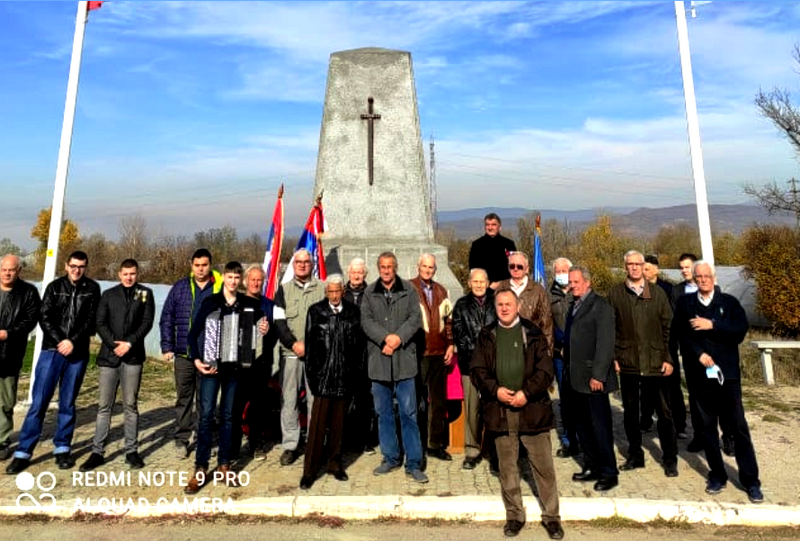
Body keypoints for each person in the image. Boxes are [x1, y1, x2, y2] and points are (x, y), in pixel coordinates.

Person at [471, 288, 563, 540]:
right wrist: (496, 390)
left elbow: (545, 372)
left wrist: (526, 392)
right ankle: (514, 515)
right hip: (500, 410)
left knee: (543, 466)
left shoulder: (533, 333)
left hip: (531, 409)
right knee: (508, 467)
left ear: (518, 305)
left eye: (508, 303)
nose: (504, 307)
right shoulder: (486, 334)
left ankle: (552, 517)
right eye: (499, 304)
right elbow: (477, 369)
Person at [672, 260, 763, 503]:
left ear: (714, 277)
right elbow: (682, 334)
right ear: (694, 278)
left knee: (738, 427)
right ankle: (717, 475)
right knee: (707, 427)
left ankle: (751, 480)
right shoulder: (685, 304)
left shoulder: (729, 303)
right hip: (700, 375)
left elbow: (739, 331)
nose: (702, 279)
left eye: (706, 276)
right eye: (698, 276)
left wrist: (712, 324)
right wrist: (699, 354)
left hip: (728, 375)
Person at [7, 251, 100, 474]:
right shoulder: (54, 287)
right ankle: (24, 452)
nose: (77, 270)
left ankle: (62, 448)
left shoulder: (92, 289)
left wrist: (73, 342)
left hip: (77, 354)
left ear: (85, 267)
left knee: (67, 403)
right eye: (73, 265)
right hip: (52, 350)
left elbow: (91, 319)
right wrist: (61, 341)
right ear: (66, 266)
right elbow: (44, 316)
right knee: (39, 402)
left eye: (82, 266)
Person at [184, 261, 265, 494]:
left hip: (234, 370)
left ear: (240, 280)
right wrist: (198, 360)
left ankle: (225, 465)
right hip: (211, 368)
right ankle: (200, 468)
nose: (233, 281)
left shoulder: (248, 304)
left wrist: (263, 328)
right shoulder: (211, 302)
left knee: (229, 416)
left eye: (236, 278)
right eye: (229, 277)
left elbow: (260, 325)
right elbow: (193, 334)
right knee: (207, 416)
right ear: (224, 279)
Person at [607, 250, 678, 478]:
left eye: (638, 264)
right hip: (628, 362)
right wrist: (614, 356)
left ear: (643, 266)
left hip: (656, 362)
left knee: (664, 413)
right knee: (630, 412)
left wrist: (668, 358)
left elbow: (669, 328)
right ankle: (635, 455)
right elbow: (610, 328)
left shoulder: (657, 294)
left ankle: (670, 458)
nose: (635, 268)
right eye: (630, 264)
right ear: (625, 266)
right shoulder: (616, 294)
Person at [80, 259, 155, 472]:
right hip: (109, 357)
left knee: (130, 405)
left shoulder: (145, 294)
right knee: (104, 406)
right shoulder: (108, 295)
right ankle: (97, 451)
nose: (129, 277)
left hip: (133, 357)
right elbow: (100, 323)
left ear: (137, 273)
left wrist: (130, 343)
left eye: (132, 273)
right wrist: (114, 344)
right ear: (119, 274)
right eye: (125, 273)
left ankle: (131, 451)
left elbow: (147, 322)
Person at [361, 251, 427, 483]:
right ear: (378, 268)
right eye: (382, 266)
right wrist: (384, 339)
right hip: (379, 362)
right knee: (384, 413)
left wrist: (398, 339)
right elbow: (366, 321)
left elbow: (415, 318)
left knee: (409, 413)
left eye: (390, 266)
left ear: (395, 267)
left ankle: (414, 462)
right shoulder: (369, 292)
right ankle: (390, 457)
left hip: (403, 362)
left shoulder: (408, 289)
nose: (386, 270)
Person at [299, 275, 362, 489]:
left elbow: (358, 348)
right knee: (317, 427)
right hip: (323, 379)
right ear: (326, 292)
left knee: (339, 426)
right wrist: (314, 379)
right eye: (330, 292)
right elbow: (310, 350)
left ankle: (335, 465)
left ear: (343, 291)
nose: (334, 296)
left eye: (337, 291)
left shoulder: (353, 312)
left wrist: (355, 374)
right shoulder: (316, 312)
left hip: (345, 377)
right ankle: (309, 471)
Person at [160, 248, 222, 459]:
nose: (201, 269)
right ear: (191, 265)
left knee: (207, 401)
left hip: (209, 354)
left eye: (204, 265)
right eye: (197, 265)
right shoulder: (180, 288)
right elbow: (167, 316)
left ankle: (206, 439)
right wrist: (167, 346)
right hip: (184, 354)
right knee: (184, 399)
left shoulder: (219, 288)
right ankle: (181, 439)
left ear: (210, 265)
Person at [565, 266, 618, 492]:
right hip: (575, 377)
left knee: (600, 427)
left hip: (593, 378)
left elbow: (605, 344)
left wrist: (598, 374)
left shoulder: (601, 306)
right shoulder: (573, 306)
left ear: (587, 282)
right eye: (570, 282)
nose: (572, 285)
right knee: (582, 425)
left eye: (576, 282)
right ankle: (591, 465)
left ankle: (609, 471)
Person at [273, 248, 325, 466]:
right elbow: (279, 322)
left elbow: (327, 323)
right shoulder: (282, 291)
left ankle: (315, 445)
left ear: (312, 264)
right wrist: (294, 344)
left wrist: (311, 346)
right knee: (290, 402)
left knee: (316, 402)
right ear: (293, 265)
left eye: (306, 261)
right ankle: (290, 445)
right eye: (299, 262)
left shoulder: (323, 289)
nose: (303, 265)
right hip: (290, 355)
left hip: (316, 356)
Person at [410, 254, 454, 461]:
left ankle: (434, 445)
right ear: (418, 267)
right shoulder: (409, 289)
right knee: (416, 402)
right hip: (418, 353)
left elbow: (449, 321)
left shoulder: (441, 290)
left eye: (431, 267)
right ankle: (416, 443)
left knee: (438, 402)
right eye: (425, 266)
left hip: (438, 352)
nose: (428, 270)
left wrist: (450, 344)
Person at [452, 268, 496, 470]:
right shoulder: (461, 305)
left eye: (482, 281)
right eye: (475, 281)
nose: (479, 285)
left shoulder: (497, 301)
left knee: (494, 409)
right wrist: (478, 356)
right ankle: (472, 450)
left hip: (494, 366)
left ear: (488, 283)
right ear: (469, 283)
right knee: (472, 410)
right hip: (470, 365)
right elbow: (460, 334)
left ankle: (494, 451)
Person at [0, 254, 41, 461]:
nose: (7, 273)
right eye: (4, 269)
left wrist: (9, 333)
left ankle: (2, 440)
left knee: (6, 401)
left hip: (9, 354)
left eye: (11, 270)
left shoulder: (28, 292)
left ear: (18, 271)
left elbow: (30, 320)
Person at [640, 254, 686, 439]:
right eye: (642, 269)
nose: (644, 272)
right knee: (647, 385)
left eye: (647, 269)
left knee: (672, 385)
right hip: (645, 346)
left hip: (666, 343)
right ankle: (646, 420)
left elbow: (673, 318)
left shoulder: (669, 290)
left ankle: (680, 424)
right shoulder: (636, 289)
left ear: (656, 270)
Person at [234, 264, 275, 462]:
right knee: (237, 404)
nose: (256, 283)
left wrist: (269, 333)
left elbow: (275, 333)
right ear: (246, 281)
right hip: (240, 365)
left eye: (260, 280)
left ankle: (254, 442)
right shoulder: (237, 301)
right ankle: (232, 446)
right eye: (253, 280)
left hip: (261, 364)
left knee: (258, 406)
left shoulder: (269, 304)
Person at [343, 257, 378, 454]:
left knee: (364, 399)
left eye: (360, 272)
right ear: (349, 274)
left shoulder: (372, 293)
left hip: (366, 353)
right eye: (354, 272)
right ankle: (345, 438)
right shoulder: (341, 293)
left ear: (365, 274)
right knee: (345, 399)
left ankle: (365, 440)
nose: (357, 275)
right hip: (346, 353)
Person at [549, 257, 579, 458]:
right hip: (559, 355)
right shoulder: (548, 295)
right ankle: (569, 439)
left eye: (564, 270)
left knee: (582, 397)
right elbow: (546, 323)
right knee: (566, 398)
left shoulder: (580, 292)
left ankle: (586, 436)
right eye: (557, 271)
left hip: (580, 354)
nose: (561, 273)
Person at [468, 213, 517, 289]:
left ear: (499, 227)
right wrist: (487, 284)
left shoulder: (508, 244)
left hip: (505, 287)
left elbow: (514, 267)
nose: (490, 227)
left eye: (493, 224)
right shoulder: (477, 245)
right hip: (484, 288)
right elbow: (473, 269)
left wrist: (500, 283)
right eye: (487, 225)